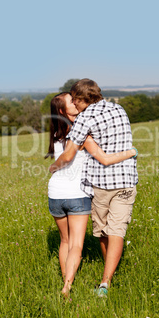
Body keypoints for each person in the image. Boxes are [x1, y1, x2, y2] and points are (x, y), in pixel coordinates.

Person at [49, 80, 138, 297]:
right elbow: (105, 151)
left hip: (76, 188)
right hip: (106, 185)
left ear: (80, 100)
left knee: (82, 238)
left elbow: (67, 155)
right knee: (104, 235)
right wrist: (130, 153)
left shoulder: (69, 128)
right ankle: (99, 281)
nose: (75, 106)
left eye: (75, 101)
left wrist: (52, 167)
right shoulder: (116, 110)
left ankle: (72, 284)